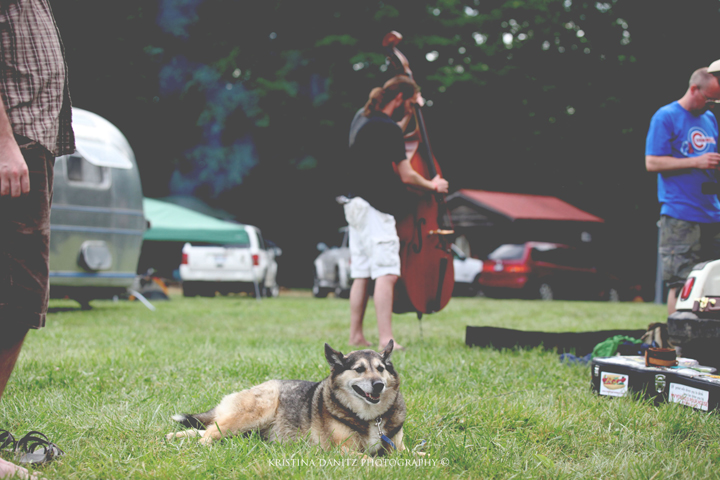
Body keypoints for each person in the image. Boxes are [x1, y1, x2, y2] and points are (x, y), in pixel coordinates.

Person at [0, 1, 74, 478]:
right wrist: (4, 143)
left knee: (20, 296)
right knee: (16, 293)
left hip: (30, 144)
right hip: (14, 145)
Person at [344, 75, 448, 350]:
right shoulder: (386, 127)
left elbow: (392, 135)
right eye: (408, 102)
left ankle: (356, 335)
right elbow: (407, 175)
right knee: (387, 274)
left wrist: (411, 112)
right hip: (377, 209)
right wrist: (433, 185)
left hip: (354, 205)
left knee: (362, 274)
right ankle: (385, 339)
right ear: (400, 98)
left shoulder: (362, 118)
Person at [646, 66, 720, 315]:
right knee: (681, 283)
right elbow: (652, 162)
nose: (711, 104)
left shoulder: (709, 119)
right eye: (709, 98)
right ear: (693, 89)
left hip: (712, 213)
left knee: (712, 283)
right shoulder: (665, 116)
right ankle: (678, 346)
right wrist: (695, 162)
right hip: (680, 214)